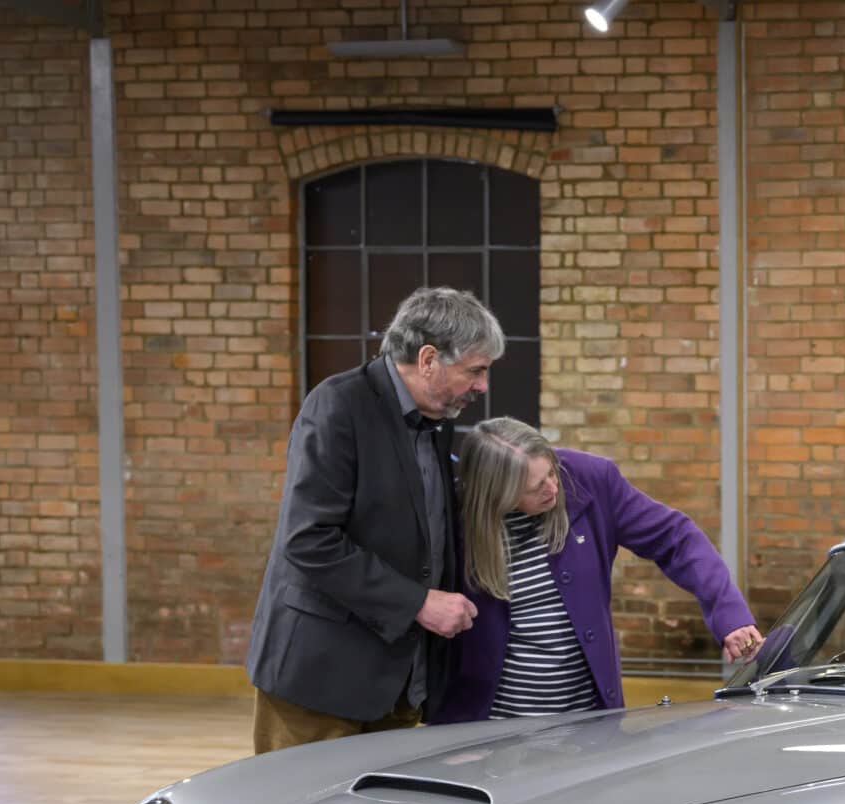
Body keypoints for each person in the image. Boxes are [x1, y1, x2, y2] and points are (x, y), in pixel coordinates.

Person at [245, 287, 500, 752]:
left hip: (397, 678)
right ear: (428, 359)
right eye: (476, 371)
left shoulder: (435, 422)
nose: (482, 386)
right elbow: (309, 540)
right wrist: (418, 603)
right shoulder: (338, 407)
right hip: (319, 679)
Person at [434, 417, 762, 722]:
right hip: (489, 726)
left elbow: (677, 538)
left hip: (585, 722)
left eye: (551, 472)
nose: (552, 487)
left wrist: (729, 614)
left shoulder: (589, 479)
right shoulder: (451, 515)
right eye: (535, 487)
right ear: (496, 491)